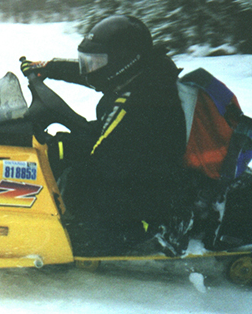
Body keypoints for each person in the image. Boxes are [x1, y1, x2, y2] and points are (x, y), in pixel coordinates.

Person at [20, 15, 193, 257]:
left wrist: (60, 147)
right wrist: (50, 67)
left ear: (122, 62)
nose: (91, 68)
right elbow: (95, 75)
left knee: (77, 184)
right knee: (66, 153)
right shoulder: (144, 73)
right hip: (139, 160)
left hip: (149, 190)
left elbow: (100, 158)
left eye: (96, 62)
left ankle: (129, 233)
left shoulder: (137, 104)